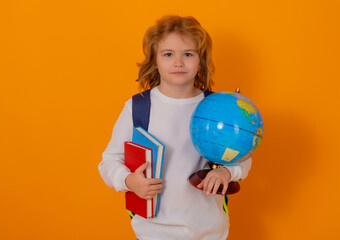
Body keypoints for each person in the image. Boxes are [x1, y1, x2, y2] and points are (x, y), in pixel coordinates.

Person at [98, 15, 252, 240]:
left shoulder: (219, 108)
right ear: (155, 59)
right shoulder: (138, 107)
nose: (178, 62)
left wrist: (226, 172)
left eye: (188, 54)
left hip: (208, 230)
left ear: (200, 59)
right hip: (152, 231)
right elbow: (109, 161)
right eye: (168, 54)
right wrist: (129, 181)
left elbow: (243, 158)